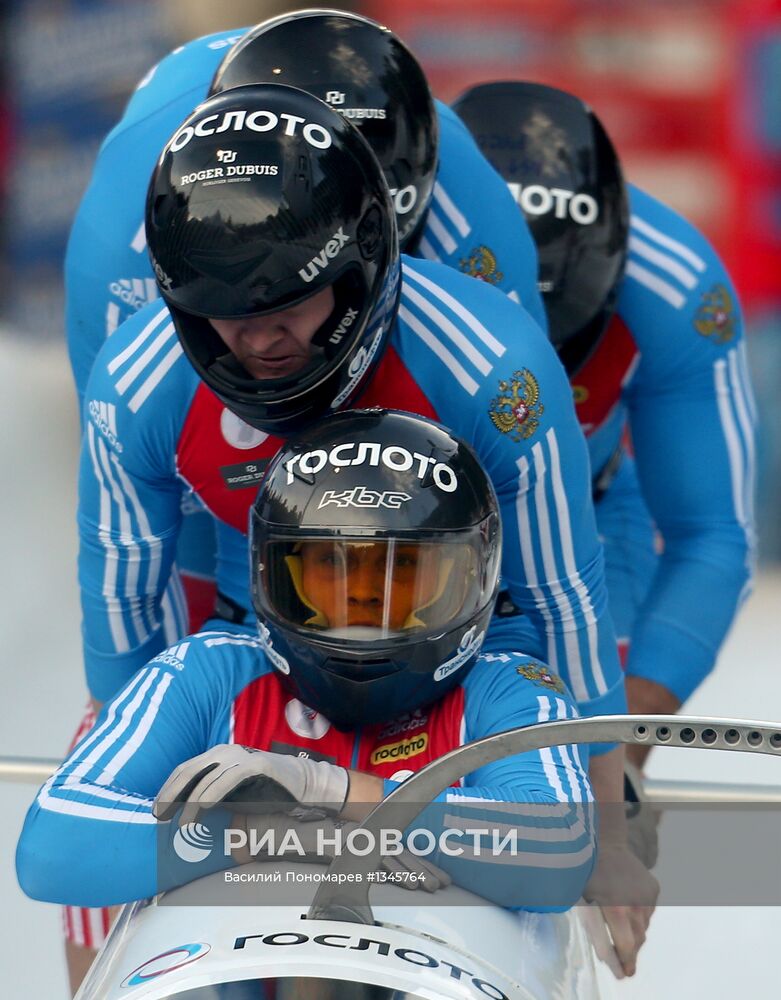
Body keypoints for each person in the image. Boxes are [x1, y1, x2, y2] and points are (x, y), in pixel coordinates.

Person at [72, 83, 652, 977]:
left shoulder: (491, 367)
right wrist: (192, 809)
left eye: (286, 308)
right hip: (258, 627)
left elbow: (558, 598)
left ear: (356, 268)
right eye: (226, 317)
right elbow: (125, 623)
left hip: (461, 641)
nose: (257, 342)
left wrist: (605, 825)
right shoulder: (136, 385)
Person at [64, 9, 547, 637]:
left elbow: (523, 453)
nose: (263, 332)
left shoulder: (471, 221)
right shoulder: (122, 244)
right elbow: (142, 479)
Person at [17, 409, 597, 914]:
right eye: (333, 566)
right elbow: (53, 849)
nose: (366, 595)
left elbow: (559, 851)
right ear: (277, 574)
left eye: (406, 572)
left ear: (472, 579)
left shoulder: (514, 691)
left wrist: (331, 790)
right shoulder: (207, 675)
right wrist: (272, 838)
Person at [452, 82, 757, 777]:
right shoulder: (385, 248)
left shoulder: (675, 287)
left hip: (586, 517)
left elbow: (712, 535)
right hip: (410, 527)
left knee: (589, 792)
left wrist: (617, 753)